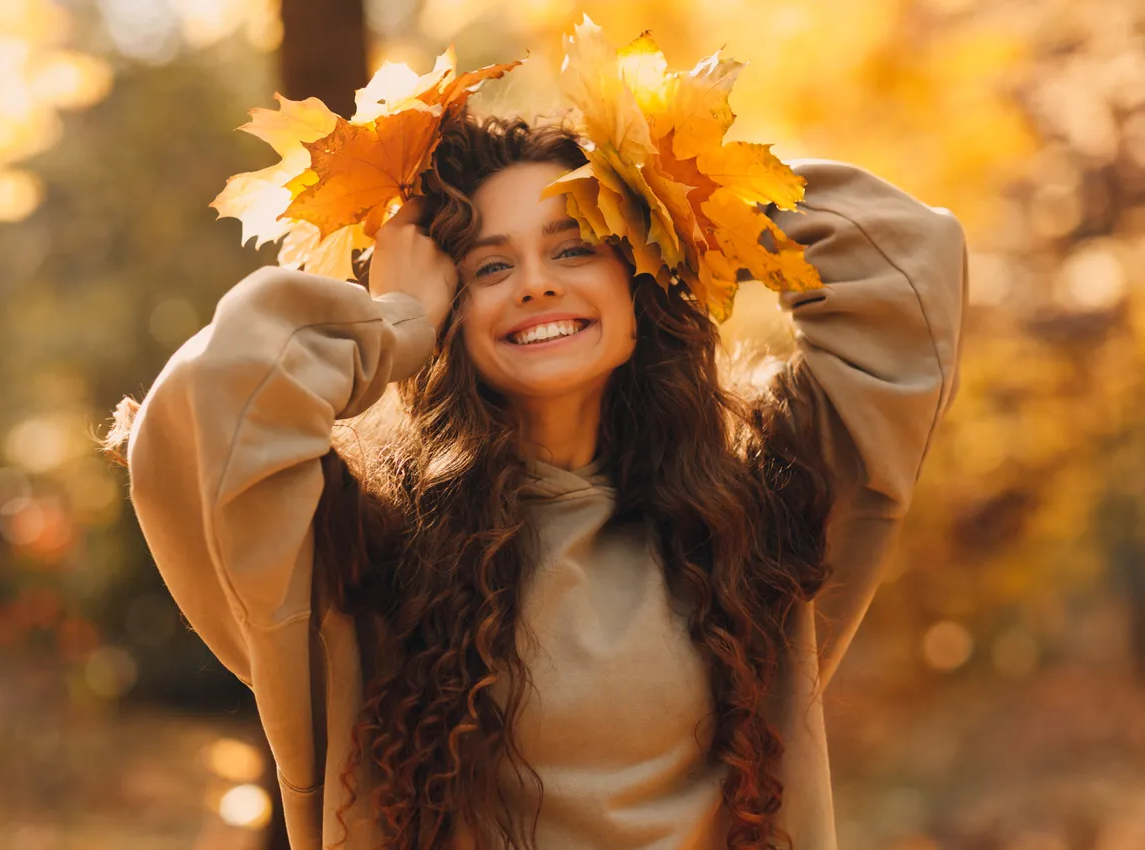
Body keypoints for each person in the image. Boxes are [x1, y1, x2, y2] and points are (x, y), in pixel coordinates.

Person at [105, 111, 968, 849]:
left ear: (640, 279)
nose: (537, 283)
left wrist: (688, 195)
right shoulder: (360, 552)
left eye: (577, 245)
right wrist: (395, 322)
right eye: (488, 266)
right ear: (452, 309)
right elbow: (206, 412)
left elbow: (906, 265)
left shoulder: (757, 515)